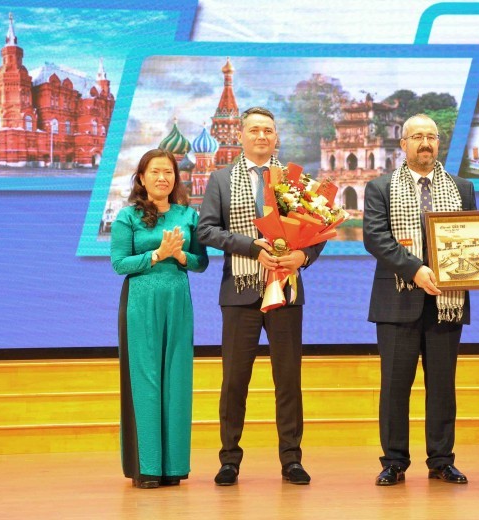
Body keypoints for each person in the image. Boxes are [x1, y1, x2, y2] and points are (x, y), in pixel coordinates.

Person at [197, 106, 325, 486]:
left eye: (268, 130)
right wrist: (252, 248)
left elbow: (316, 234)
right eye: (254, 130)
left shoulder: (296, 181)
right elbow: (206, 231)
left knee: (288, 380)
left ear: (276, 137)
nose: (261, 137)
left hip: (286, 290)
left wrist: (304, 255)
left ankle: (291, 460)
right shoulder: (220, 179)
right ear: (241, 136)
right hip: (240, 292)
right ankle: (229, 459)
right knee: (235, 380)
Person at [363, 114, 476, 486]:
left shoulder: (462, 187)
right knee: (395, 386)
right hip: (398, 300)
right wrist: (415, 269)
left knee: (442, 386)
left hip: (447, 301)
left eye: (431, 137)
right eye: (417, 137)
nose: (425, 143)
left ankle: (441, 460)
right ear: (403, 144)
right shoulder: (380, 187)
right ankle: (394, 461)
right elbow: (376, 238)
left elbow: (473, 239)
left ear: (438, 143)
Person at [110, 149, 209, 488]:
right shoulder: (128, 216)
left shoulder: (188, 215)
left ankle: (174, 466)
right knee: (147, 379)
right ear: (141, 178)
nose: (163, 177)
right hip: (140, 302)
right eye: (155, 172)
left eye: (168, 172)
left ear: (175, 178)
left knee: (177, 380)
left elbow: (201, 262)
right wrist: (156, 254)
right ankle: (148, 467)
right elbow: (120, 264)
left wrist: (180, 254)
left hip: (177, 301)